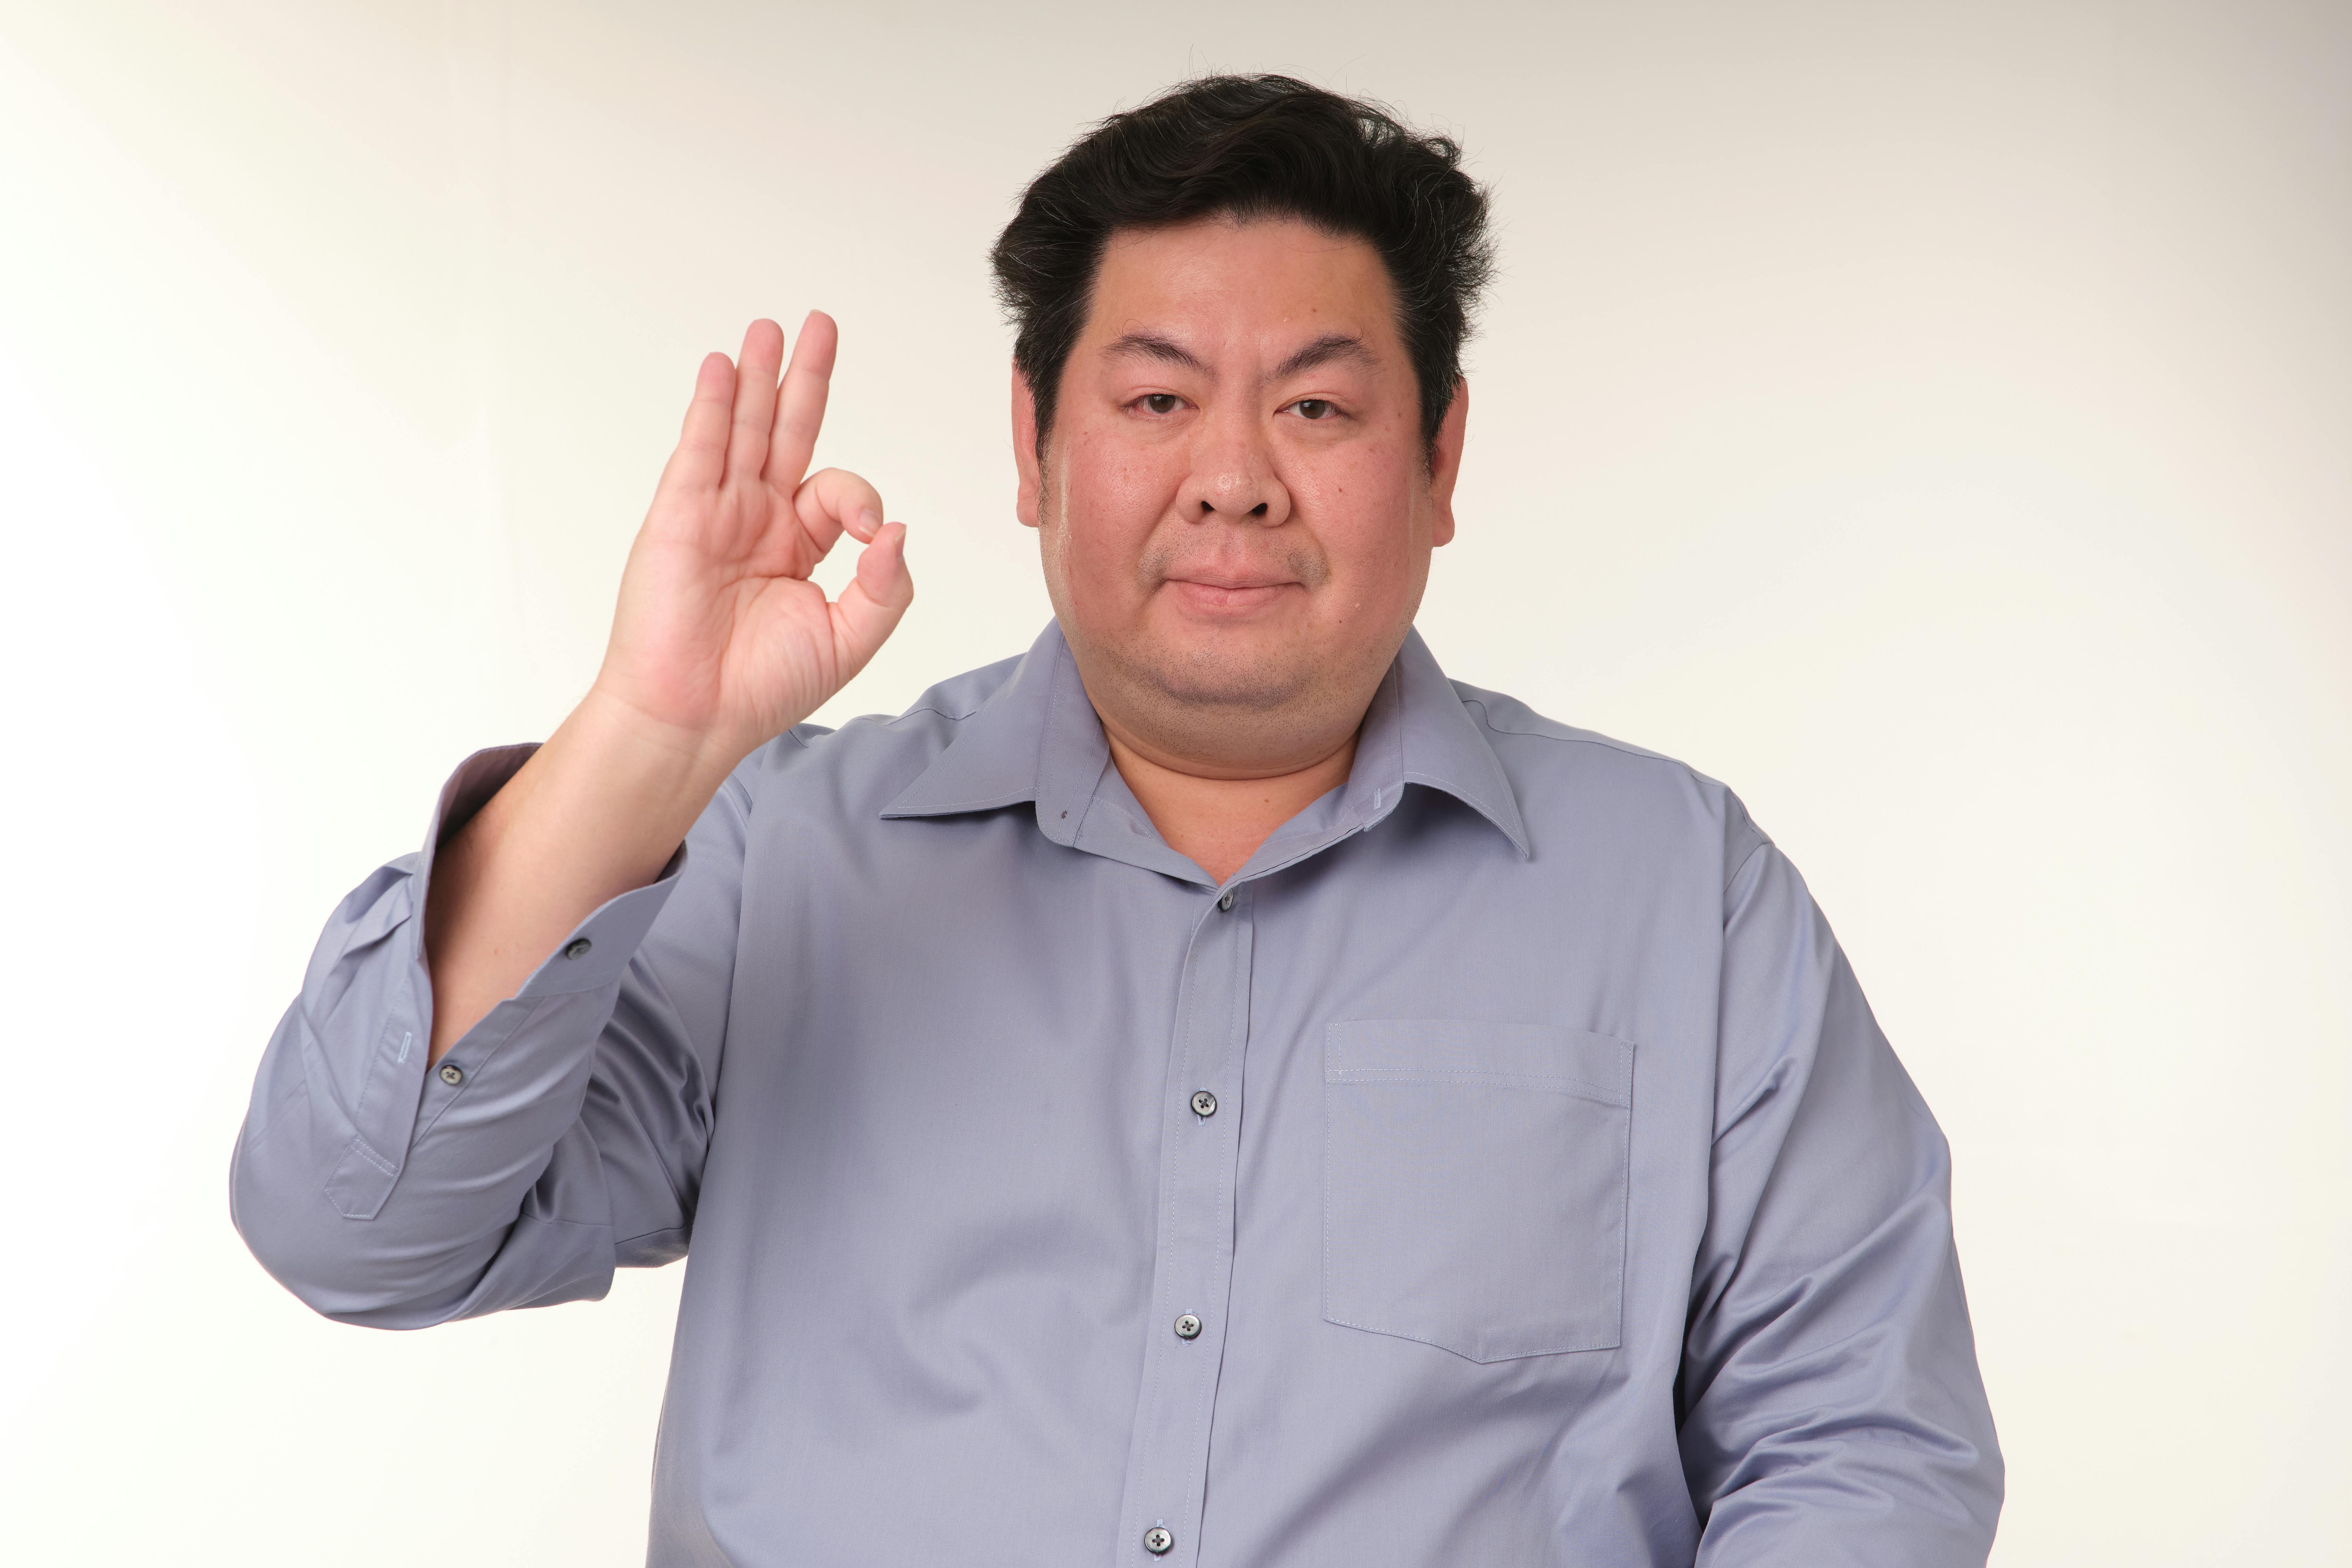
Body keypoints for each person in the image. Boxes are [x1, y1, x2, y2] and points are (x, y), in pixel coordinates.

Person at [232, 74, 2001, 1566]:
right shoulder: (791, 861)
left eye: (1318, 406)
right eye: (1157, 401)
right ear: (1031, 442)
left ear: (1444, 459)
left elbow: (1868, 1445)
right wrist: (639, 739)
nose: (1234, 473)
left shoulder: (1684, 898)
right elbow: (353, 1224)